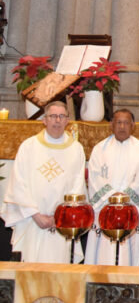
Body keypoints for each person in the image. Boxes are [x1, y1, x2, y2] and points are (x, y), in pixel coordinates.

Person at [1, 101, 86, 263]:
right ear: (44, 120)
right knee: (30, 272)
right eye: (53, 116)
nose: (57, 120)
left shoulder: (76, 149)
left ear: (68, 121)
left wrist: (60, 216)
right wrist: (35, 214)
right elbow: (18, 183)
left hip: (61, 224)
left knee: (58, 272)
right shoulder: (29, 146)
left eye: (62, 116)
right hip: (31, 220)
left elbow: (78, 186)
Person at [85, 109, 139, 265]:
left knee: (130, 254)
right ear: (111, 125)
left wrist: (124, 200)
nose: (122, 126)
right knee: (102, 255)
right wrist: (113, 199)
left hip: (131, 212)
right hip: (105, 210)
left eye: (126, 122)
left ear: (133, 125)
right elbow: (95, 178)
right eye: (118, 122)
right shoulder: (100, 149)